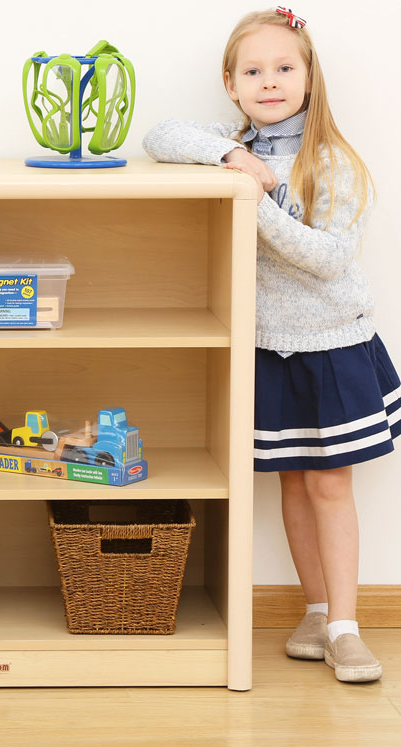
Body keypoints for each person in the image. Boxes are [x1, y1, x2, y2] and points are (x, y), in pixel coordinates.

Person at [143, 6, 400, 683]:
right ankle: (316, 611)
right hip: (270, 347)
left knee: (328, 483)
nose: (270, 81)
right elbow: (161, 134)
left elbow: (326, 258)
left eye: (284, 68)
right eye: (253, 71)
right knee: (292, 480)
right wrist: (234, 158)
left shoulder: (332, 162)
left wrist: (256, 198)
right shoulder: (238, 145)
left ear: (309, 78)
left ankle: (347, 625)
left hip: (333, 347)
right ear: (230, 84)